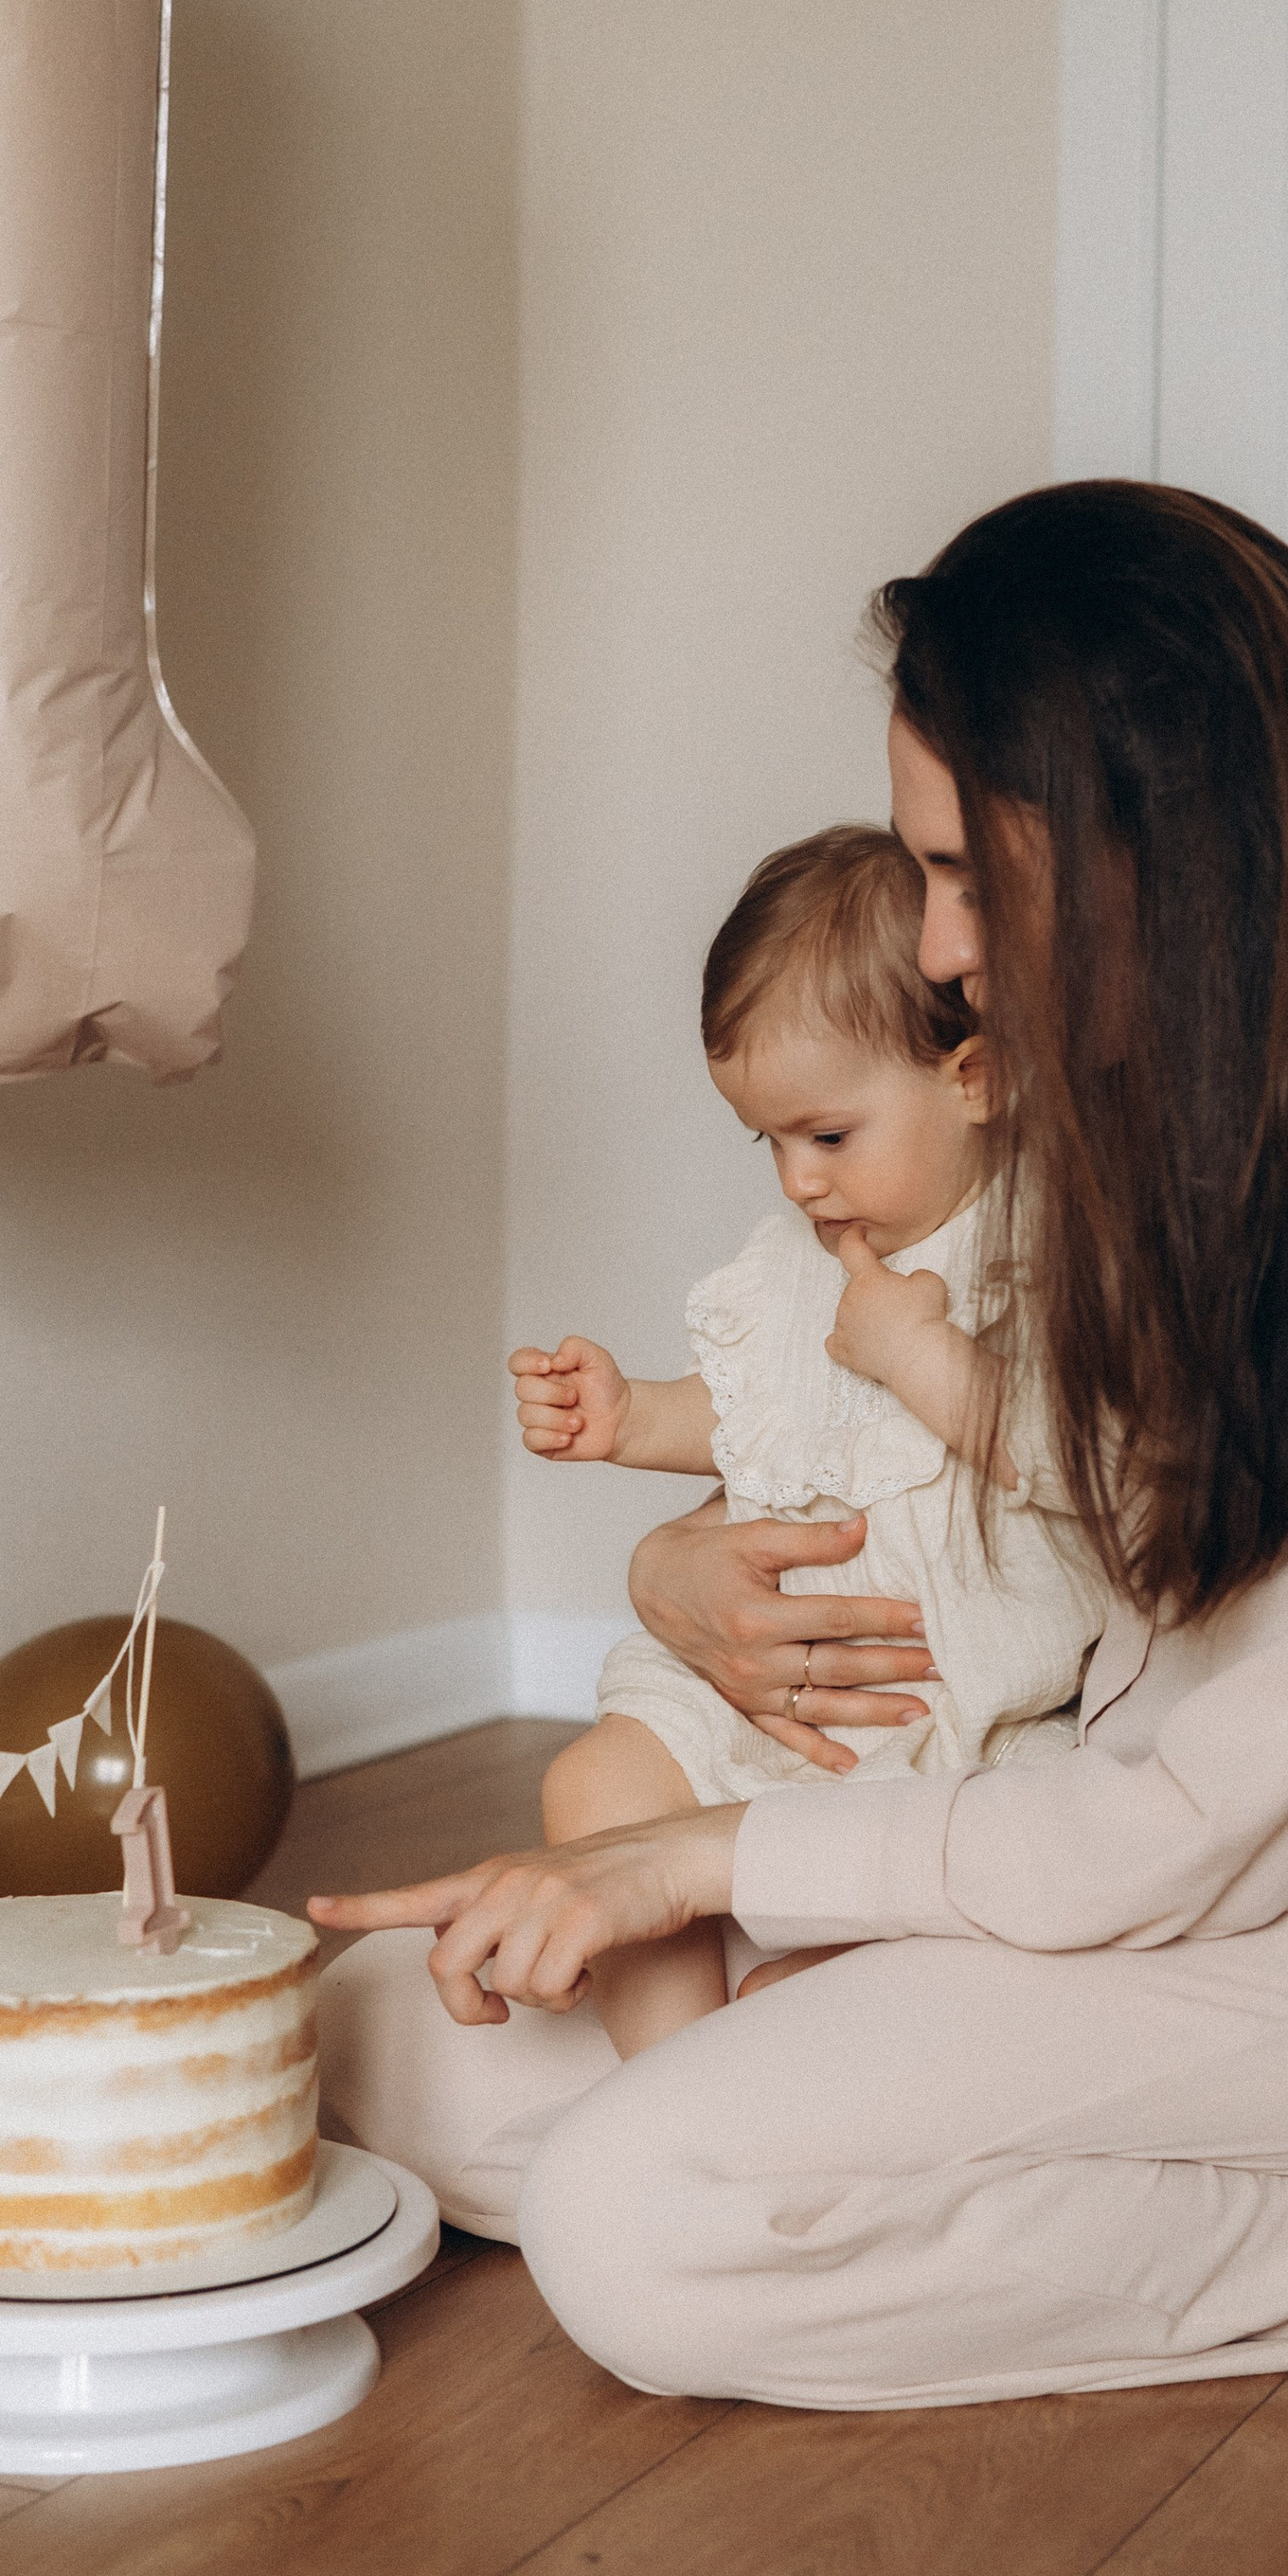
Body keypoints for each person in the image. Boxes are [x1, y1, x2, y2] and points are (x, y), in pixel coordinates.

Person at [313, 482, 1288, 2406]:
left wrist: (696, 1861)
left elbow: (1187, 1833)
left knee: (633, 2227)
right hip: (1103, 1855)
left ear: (1169, 847)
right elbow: (1028, 1548)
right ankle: (893, 2170)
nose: (942, 949)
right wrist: (677, 1577)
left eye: (968, 876)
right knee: (351, 2039)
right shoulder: (1152, 1133)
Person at [508, 823, 1105, 2058]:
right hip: (761, 1697)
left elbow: (1096, 1466)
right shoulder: (794, 1261)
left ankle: (766, 2082)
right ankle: (668, 2094)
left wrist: (928, 1361)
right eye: (765, 1141)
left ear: (977, 1077)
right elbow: (757, 1413)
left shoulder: (1045, 1250)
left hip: (945, 1727)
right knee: (592, 1788)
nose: (796, 1181)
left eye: (827, 1136)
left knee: (832, 1989)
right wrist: (631, 1418)